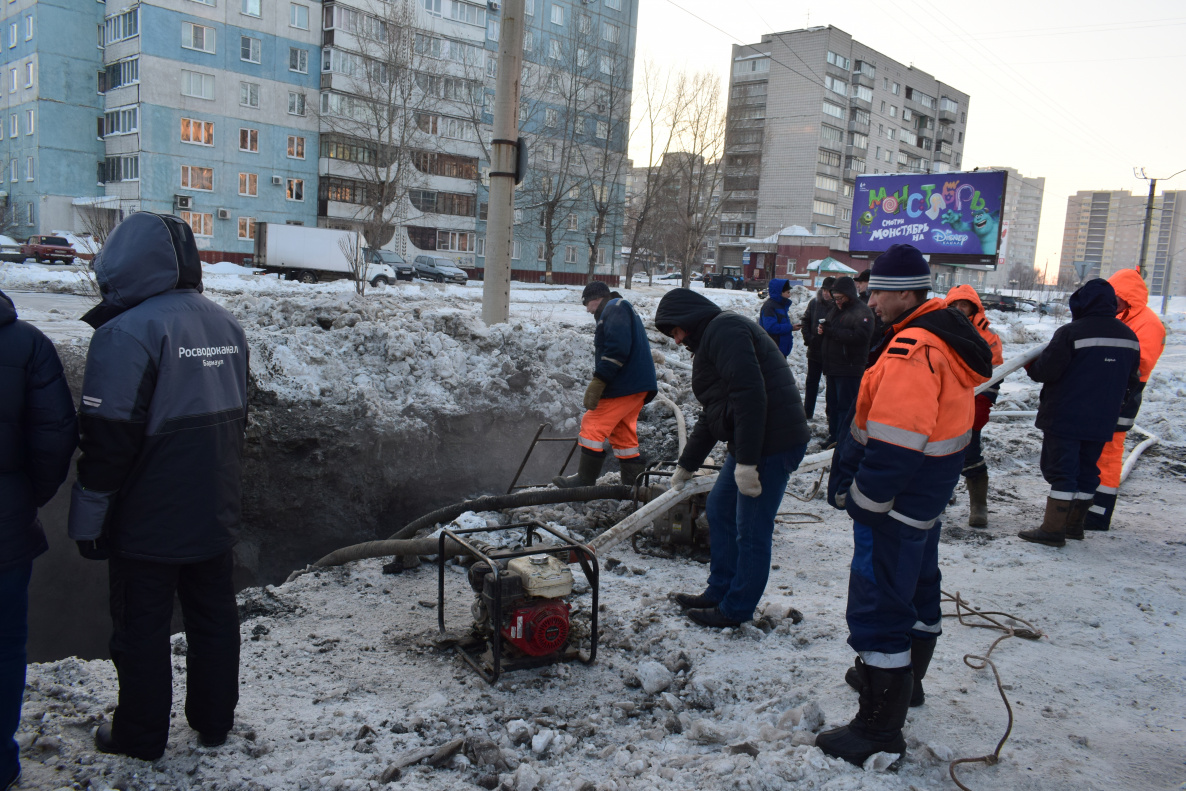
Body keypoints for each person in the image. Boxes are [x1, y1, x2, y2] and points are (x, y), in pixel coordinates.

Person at [67, 213, 249, 761]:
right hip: (213, 510)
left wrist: (88, 521)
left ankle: (140, 736)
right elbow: (239, 419)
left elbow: (107, 443)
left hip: (146, 522)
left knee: (141, 629)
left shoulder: (125, 332)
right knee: (214, 618)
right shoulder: (225, 324)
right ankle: (215, 723)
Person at [819, 244, 992, 765]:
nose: (869, 303)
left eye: (877, 293)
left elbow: (895, 442)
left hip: (894, 504)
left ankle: (877, 728)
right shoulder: (945, 341)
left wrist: (865, 502)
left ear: (903, 292)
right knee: (917, 589)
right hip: (924, 499)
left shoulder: (912, 350)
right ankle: (908, 684)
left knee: (879, 605)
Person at [654, 289, 809, 628]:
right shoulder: (713, 339)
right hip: (753, 441)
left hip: (773, 442)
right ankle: (720, 590)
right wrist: (688, 463)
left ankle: (736, 608)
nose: (677, 341)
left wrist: (748, 463)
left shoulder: (726, 331)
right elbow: (715, 411)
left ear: (688, 320)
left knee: (752, 530)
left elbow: (750, 397)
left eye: (676, 331)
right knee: (721, 508)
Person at [1, 289, 78, 791]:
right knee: (5, 647)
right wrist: (27, 499)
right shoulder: (26, 345)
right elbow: (54, 438)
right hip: (4, 532)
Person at [1019, 278, 1141, 547]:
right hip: (1102, 419)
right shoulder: (1130, 337)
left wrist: (1031, 365)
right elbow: (1133, 380)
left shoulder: (1071, 333)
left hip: (1066, 417)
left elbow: (1046, 371)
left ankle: (1052, 530)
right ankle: (1075, 526)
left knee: (1061, 471)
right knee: (1088, 470)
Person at [553, 280, 657, 489]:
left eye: (587, 305)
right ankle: (632, 487)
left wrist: (599, 381)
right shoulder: (619, 308)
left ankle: (584, 480)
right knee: (623, 433)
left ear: (595, 300)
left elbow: (616, 349)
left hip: (625, 385)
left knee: (592, 423)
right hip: (636, 385)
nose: (587, 310)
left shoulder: (613, 308)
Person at [1085, 268, 1165, 531]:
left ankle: (1099, 513)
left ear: (1127, 298)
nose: (1111, 303)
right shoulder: (1122, 317)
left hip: (1123, 395)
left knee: (1108, 452)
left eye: (1115, 298)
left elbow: (1139, 365)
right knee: (1093, 450)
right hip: (1106, 391)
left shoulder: (1148, 324)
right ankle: (1086, 505)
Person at [945, 285, 1004, 527]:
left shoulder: (988, 337)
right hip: (941, 403)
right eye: (955, 304)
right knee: (935, 453)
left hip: (972, 403)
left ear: (974, 308)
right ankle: (939, 494)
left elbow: (996, 373)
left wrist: (982, 404)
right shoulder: (937, 329)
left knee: (970, 453)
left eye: (964, 304)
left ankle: (978, 506)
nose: (959, 309)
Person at [820, 276, 874, 448]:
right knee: (833, 406)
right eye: (835, 298)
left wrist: (832, 332)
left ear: (849, 294)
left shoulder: (862, 312)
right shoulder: (836, 310)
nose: (837, 302)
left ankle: (843, 439)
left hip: (849, 367)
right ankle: (834, 436)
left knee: (845, 407)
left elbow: (861, 337)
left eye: (840, 298)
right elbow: (831, 329)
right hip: (833, 366)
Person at [799, 277, 834, 419]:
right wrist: (809, 339)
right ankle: (807, 413)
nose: (826, 293)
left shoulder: (838, 306)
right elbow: (805, 321)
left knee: (831, 386)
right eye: (824, 290)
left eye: (829, 291)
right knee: (812, 382)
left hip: (830, 353)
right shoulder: (814, 303)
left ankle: (830, 415)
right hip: (814, 350)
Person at [759, 278, 796, 357]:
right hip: (772, 351)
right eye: (787, 292)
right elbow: (771, 327)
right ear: (780, 292)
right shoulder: (769, 307)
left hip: (779, 351)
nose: (789, 296)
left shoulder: (781, 306)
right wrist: (790, 328)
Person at [854, 269, 885, 346]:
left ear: (869, 282)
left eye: (860, 283)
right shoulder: (858, 300)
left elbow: (879, 326)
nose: (858, 285)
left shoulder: (875, 301)